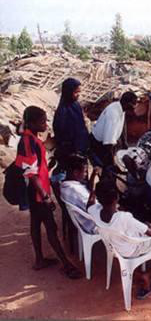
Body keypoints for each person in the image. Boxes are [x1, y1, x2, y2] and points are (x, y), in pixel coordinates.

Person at [15, 106, 82, 278]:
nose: (46, 124)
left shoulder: (31, 138)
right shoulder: (28, 142)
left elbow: (36, 166)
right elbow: (31, 175)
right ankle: (66, 264)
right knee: (50, 226)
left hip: (37, 189)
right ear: (32, 123)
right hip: (37, 190)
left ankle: (39, 259)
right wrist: (45, 197)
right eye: (42, 122)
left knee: (36, 223)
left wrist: (48, 166)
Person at [89, 180, 151, 299]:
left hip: (115, 248)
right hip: (132, 249)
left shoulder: (94, 211)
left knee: (137, 232)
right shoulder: (124, 217)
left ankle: (138, 273)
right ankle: (147, 274)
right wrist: (150, 225)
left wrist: (93, 192)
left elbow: (89, 204)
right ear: (117, 197)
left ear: (99, 198)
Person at [90, 91, 138, 169]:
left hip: (106, 144)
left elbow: (123, 124)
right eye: (134, 103)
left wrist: (124, 142)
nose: (136, 106)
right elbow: (108, 144)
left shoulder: (121, 107)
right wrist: (112, 162)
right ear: (127, 103)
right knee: (108, 170)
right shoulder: (113, 114)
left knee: (110, 169)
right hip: (98, 145)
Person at [52, 78, 89, 169]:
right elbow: (60, 133)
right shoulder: (62, 111)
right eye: (76, 92)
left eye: (79, 92)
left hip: (81, 149)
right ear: (68, 92)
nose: (78, 95)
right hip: (71, 153)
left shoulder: (76, 105)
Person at [60, 154, 100, 234]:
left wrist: (93, 175)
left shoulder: (66, 185)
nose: (86, 175)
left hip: (88, 222)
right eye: (85, 172)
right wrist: (95, 191)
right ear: (76, 172)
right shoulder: (75, 190)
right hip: (94, 225)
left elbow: (87, 191)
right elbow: (91, 209)